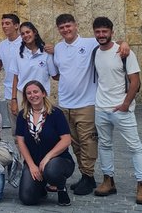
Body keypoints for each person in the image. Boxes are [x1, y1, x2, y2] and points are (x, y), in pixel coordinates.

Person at [91, 17, 142, 205]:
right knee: (104, 145)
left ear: (111, 32)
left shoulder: (124, 52)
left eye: (104, 31)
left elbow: (135, 81)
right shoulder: (95, 51)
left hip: (121, 109)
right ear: (94, 33)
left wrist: (125, 104)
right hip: (101, 108)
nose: (101, 35)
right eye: (98, 31)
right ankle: (108, 180)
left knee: (135, 146)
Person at [51, 13, 107, 195]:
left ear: (75, 25)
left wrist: (124, 45)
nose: (66, 30)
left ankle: (89, 176)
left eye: (68, 26)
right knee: (75, 143)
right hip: (65, 104)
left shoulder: (90, 43)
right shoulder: (58, 48)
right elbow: (57, 74)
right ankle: (85, 175)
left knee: (88, 141)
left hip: (86, 103)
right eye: (62, 27)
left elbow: (110, 43)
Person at [15, 81, 74, 206]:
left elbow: (66, 139)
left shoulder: (55, 113)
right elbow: (21, 141)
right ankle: (40, 186)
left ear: (43, 93)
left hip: (58, 161)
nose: (33, 95)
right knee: (27, 199)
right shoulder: (23, 115)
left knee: (51, 170)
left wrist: (47, 157)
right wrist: (31, 165)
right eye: (29, 93)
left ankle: (61, 188)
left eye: (35, 92)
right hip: (34, 162)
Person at [9, 22, 56, 120]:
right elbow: (15, 78)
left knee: (43, 125)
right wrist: (13, 99)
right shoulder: (18, 53)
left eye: (28, 32)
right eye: (23, 34)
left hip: (42, 96)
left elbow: (54, 75)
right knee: (24, 125)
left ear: (34, 32)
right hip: (23, 96)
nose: (26, 35)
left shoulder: (46, 53)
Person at [0, 13, 22, 129]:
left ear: (16, 26)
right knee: (16, 130)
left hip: (25, 91)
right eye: (2, 24)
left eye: (7, 23)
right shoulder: (2, 45)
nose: (4, 26)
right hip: (9, 92)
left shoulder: (25, 42)